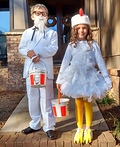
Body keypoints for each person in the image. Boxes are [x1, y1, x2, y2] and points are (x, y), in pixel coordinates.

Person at [56, 8, 112, 144]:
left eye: (84, 28)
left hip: (89, 77)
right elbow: (64, 63)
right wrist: (60, 79)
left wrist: (107, 79)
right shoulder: (71, 45)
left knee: (88, 102)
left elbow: (100, 63)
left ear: (88, 29)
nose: (81, 31)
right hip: (75, 78)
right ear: (74, 30)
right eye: (79, 28)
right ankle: (79, 128)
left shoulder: (93, 45)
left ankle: (88, 128)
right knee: (78, 102)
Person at [18, 3, 58, 140]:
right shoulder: (26, 32)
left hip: (45, 69)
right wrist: (30, 55)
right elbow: (21, 48)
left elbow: (53, 49)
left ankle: (49, 126)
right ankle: (35, 123)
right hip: (30, 69)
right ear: (32, 16)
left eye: (43, 13)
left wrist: (36, 53)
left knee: (46, 98)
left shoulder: (52, 33)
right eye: (37, 13)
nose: (40, 15)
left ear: (47, 16)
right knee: (32, 97)